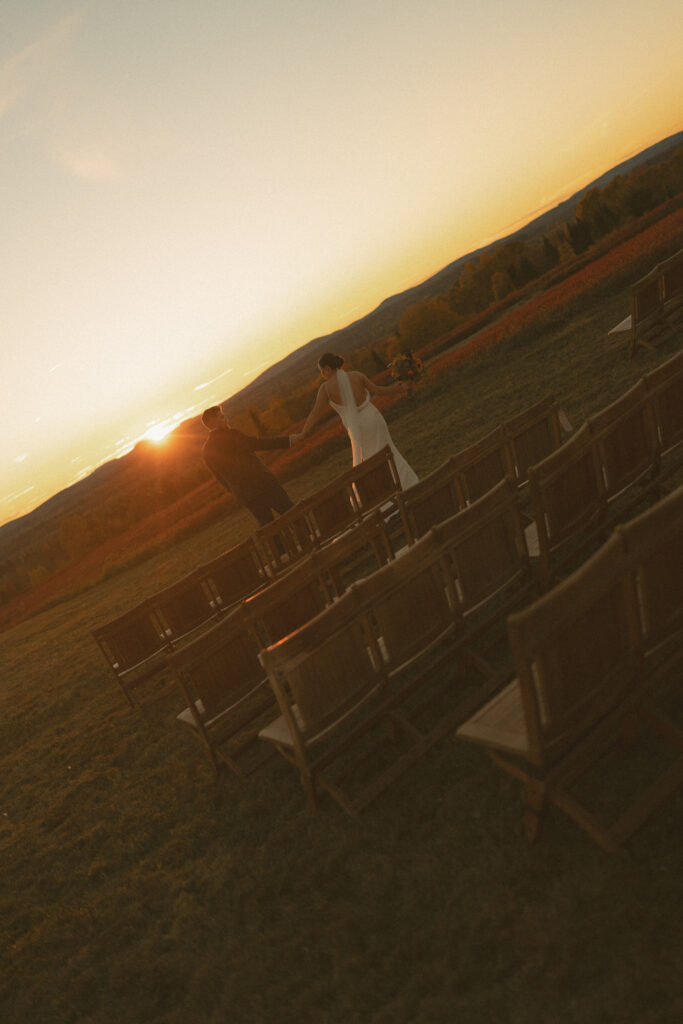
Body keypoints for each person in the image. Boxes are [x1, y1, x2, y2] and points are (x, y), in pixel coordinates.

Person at [293, 353, 418, 490]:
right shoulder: (357, 375)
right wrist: (400, 388)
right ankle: (408, 484)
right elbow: (378, 390)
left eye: (321, 371)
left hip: (358, 428)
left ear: (327, 368)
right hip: (374, 418)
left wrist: (303, 433)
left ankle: (388, 490)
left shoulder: (326, 389)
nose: (322, 374)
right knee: (390, 451)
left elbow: (315, 413)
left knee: (372, 461)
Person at [201, 406, 295, 527]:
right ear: (212, 422)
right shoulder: (231, 435)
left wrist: (238, 492)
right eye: (222, 417)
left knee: (268, 526)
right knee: (291, 513)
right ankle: (308, 538)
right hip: (264, 484)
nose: (226, 419)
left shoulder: (206, 450)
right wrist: (288, 441)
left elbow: (220, 478)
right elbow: (257, 444)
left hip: (246, 496)